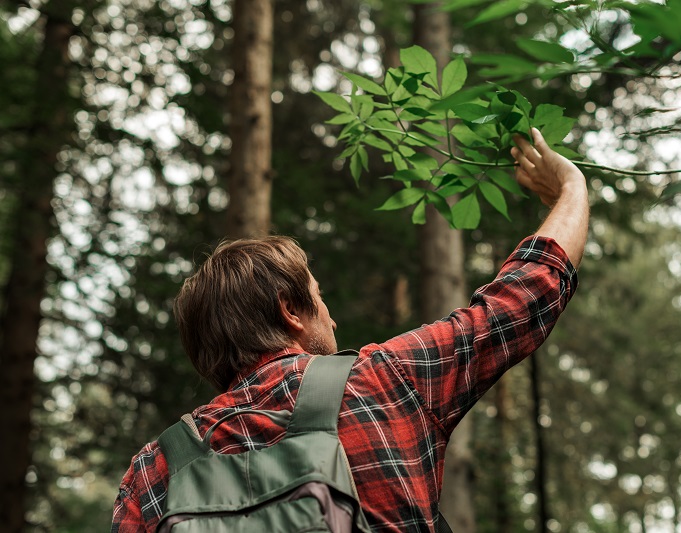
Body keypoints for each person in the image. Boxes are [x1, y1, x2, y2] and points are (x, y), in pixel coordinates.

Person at [111, 128, 589, 532]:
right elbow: (518, 301)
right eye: (320, 299)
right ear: (291, 312)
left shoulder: (152, 472)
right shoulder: (380, 381)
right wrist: (571, 188)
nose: (333, 318)